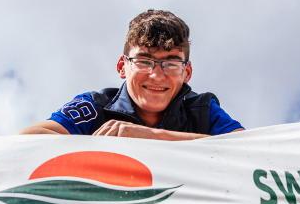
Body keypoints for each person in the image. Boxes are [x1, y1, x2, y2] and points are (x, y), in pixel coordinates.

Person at [21, 10, 244, 140]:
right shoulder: (95, 106)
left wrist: (149, 136)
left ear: (187, 72)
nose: (157, 75)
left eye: (171, 63)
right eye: (144, 61)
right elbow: (29, 137)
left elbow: (249, 148)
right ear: (122, 66)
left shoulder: (202, 110)